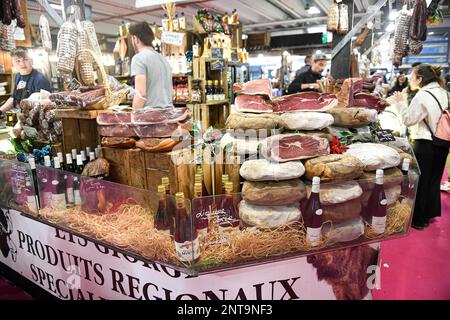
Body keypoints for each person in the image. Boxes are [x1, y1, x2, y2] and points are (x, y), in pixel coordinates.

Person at [392, 64, 449, 230]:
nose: (410, 78)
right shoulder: (444, 92)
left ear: (420, 79)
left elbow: (409, 120)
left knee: (421, 181)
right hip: (442, 141)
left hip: (425, 143)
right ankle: (429, 213)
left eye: (412, 76)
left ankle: (418, 219)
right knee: (434, 180)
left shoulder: (422, 95)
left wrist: (400, 103)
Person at [128, 22, 173, 109]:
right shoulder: (163, 59)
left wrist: (134, 117)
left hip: (151, 116)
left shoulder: (139, 58)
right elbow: (171, 92)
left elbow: (141, 93)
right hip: (168, 113)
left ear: (135, 39)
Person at [0, 48, 51, 118]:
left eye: (25, 59)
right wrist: (0, 111)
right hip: (21, 116)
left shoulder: (40, 79)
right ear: (13, 63)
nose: (22, 63)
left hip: (35, 120)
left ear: (31, 61)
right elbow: (14, 98)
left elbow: (43, 106)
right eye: (18, 61)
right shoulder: (18, 76)